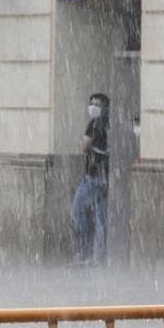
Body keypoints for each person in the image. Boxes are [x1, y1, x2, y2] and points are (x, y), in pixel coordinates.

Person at [71, 93, 110, 265]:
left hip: (92, 178)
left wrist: (83, 143)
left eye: (97, 104)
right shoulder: (106, 125)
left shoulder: (94, 125)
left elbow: (85, 146)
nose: (93, 107)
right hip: (103, 179)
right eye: (92, 103)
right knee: (100, 218)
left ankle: (84, 251)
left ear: (103, 108)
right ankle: (98, 256)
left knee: (77, 210)